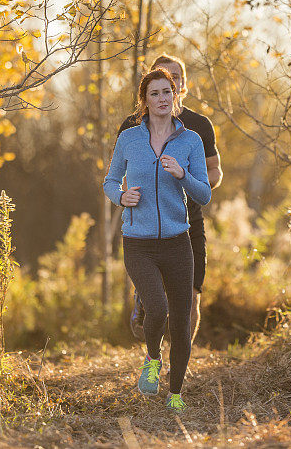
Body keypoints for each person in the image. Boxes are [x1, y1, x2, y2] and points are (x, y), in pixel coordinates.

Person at [103, 67, 211, 412]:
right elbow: (109, 181)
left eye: (168, 92)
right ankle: (152, 358)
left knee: (181, 319)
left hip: (179, 241)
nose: (163, 98)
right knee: (158, 307)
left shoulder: (190, 141)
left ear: (175, 95)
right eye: (155, 93)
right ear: (144, 100)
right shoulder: (129, 139)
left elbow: (205, 193)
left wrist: (182, 175)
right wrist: (121, 197)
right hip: (138, 241)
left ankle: (175, 394)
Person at [117, 55, 222, 345]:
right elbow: (121, 174)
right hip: (145, 223)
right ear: (148, 88)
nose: (169, 84)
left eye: (175, 78)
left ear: (183, 86)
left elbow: (214, 173)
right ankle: (145, 309)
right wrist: (131, 194)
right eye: (162, 79)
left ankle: (180, 362)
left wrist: (187, 180)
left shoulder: (199, 126)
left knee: (190, 295)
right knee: (157, 300)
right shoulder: (131, 126)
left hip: (189, 223)